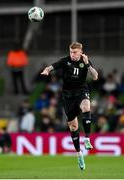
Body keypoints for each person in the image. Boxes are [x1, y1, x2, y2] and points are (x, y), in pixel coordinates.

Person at [41, 42, 98, 170]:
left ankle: (87, 138)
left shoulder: (85, 61)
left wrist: (88, 64)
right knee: (73, 126)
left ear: (80, 52)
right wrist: (46, 70)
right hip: (68, 96)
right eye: (71, 52)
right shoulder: (65, 61)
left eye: (75, 52)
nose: (72, 55)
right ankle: (79, 154)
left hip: (81, 91)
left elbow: (95, 77)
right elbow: (52, 66)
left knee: (86, 106)